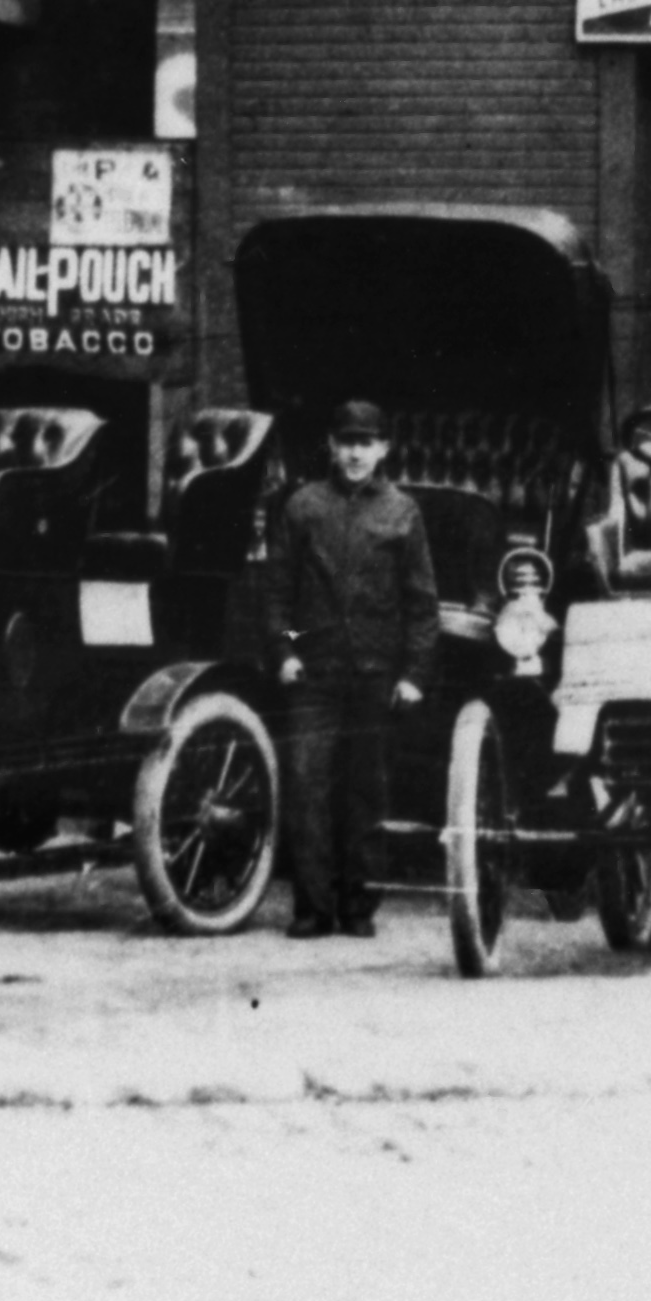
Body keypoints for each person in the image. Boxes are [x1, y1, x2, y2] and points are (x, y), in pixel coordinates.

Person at [256, 400, 441, 938]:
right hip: (314, 674)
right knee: (308, 786)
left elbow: (422, 604)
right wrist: (286, 653)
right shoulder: (302, 507)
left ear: (384, 449)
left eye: (367, 442)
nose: (356, 453)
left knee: (367, 792)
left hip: (374, 675)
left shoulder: (402, 512)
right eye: (347, 442)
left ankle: (358, 908)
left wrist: (413, 675)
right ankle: (313, 909)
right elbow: (276, 597)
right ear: (332, 448)